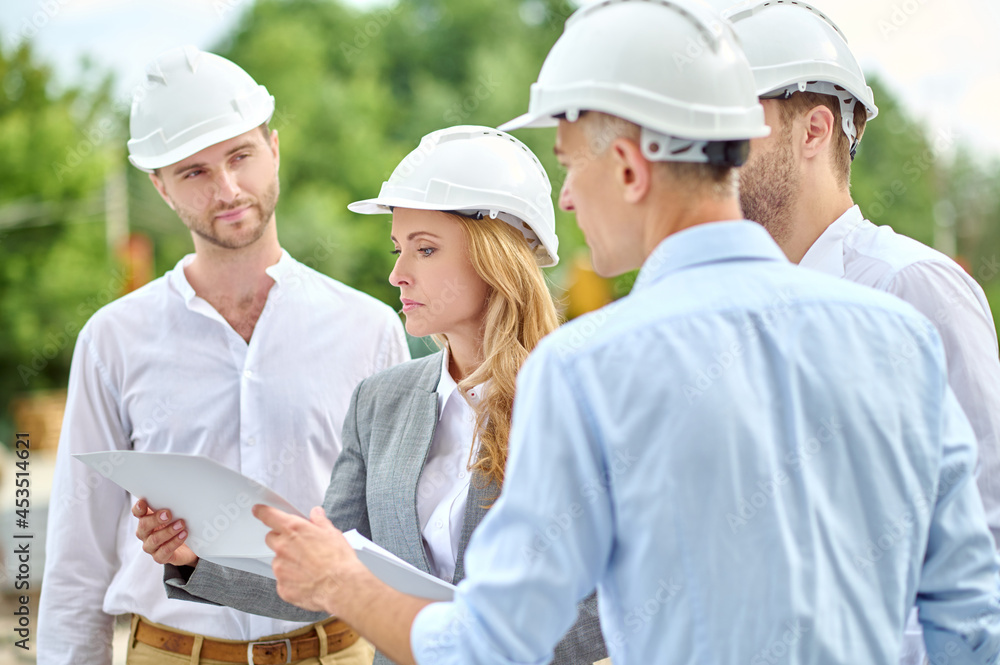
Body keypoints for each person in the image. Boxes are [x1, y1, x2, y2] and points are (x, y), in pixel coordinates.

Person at [231, 2, 1000, 663]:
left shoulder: (587, 367)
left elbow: (494, 644)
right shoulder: (899, 336)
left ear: (630, 168)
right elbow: (971, 616)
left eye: (568, 163)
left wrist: (339, 580)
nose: (563, 197)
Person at [133, 126, 609, 665]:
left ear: (495, 257)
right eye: (398, 248)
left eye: (425, 249)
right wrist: (194, 561)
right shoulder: (381, 402)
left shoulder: (583, 399)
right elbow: (328, 575)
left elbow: (610, 607)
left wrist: (471, 644)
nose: (397, 273)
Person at [37, 45, 408, 665]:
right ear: (160, 187)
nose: (228, 189)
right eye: (195, 172)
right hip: (173, 652)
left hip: (338, 651)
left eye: (241, 157)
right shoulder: (113, 341)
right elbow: (78, 555)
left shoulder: (367, 328)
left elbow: (397, 541)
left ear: (275, 150)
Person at [724, 3, 1000, 661]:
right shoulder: (733, 314)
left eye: (728, 129)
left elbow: (987, 534)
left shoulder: (914, 288)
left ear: (814, 130)